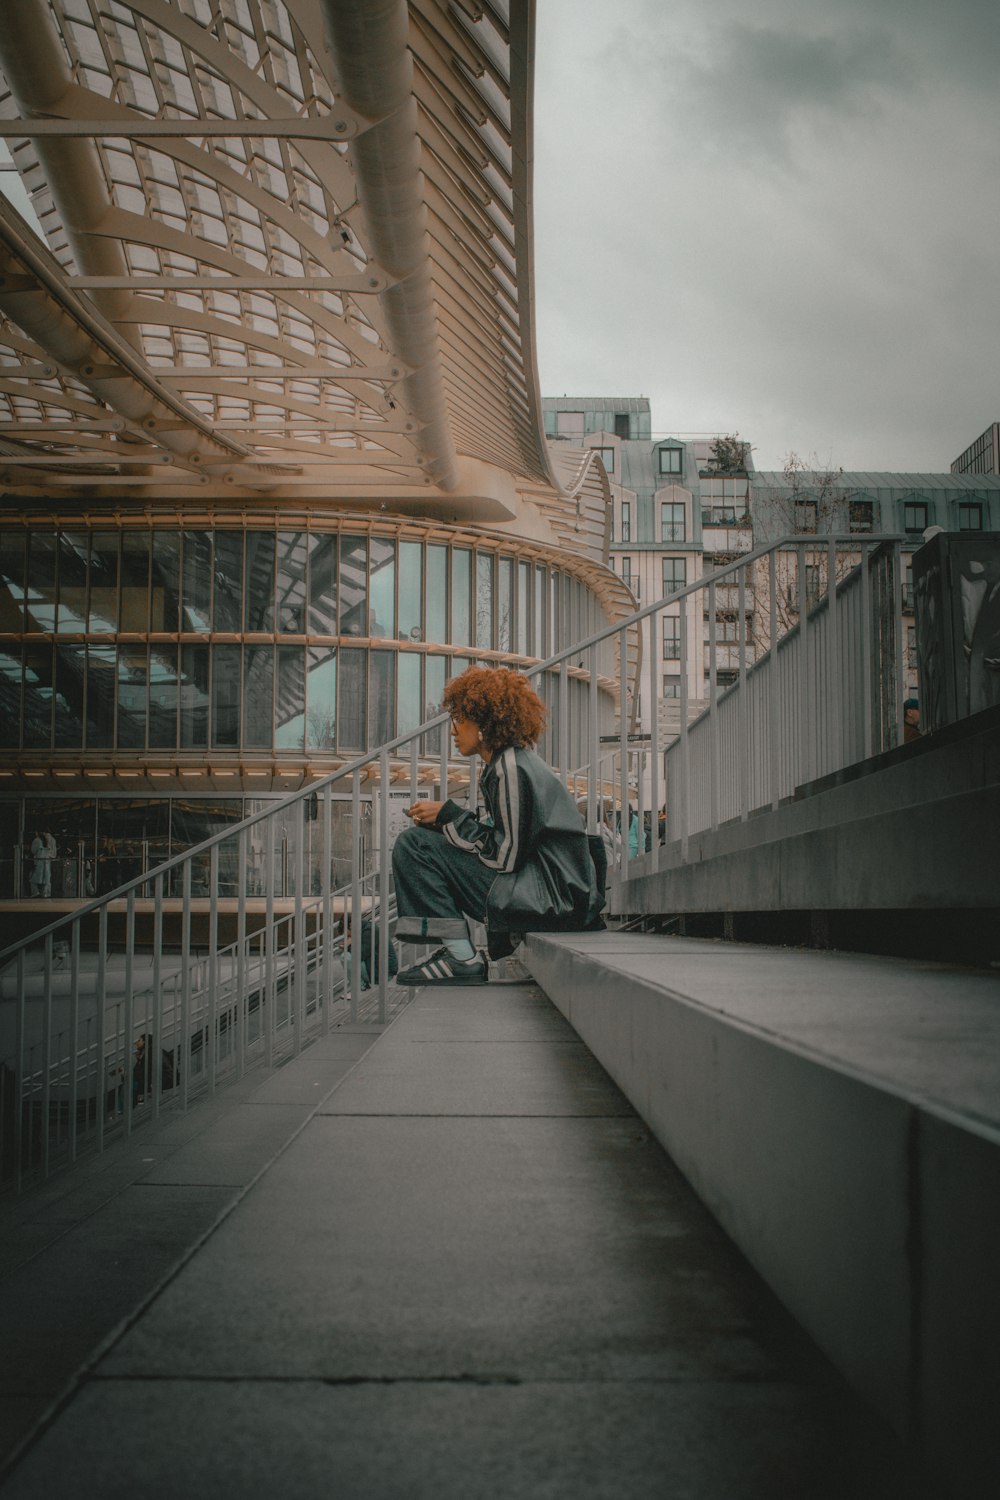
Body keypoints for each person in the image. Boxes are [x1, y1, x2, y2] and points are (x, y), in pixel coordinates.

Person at [391, 667, 603, 986]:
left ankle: (462, 958)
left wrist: (450, 817)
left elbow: (505, 857)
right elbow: (508, 844)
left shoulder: (510, 768)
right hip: (553, 895)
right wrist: (446, 825)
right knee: (421, 840)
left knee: (414, 845)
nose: (453, 731)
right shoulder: (509, 764)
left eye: (459, 719)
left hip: (553, 901)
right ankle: (460, 955)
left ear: (482, 723)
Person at [29, 829, 56, 897]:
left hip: (38, 861)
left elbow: (33, 850)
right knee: (46, 880)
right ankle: (46, 894)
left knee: (32, 878)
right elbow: (53, 852)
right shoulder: (51, 839)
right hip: (47, 861)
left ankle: (35, 893)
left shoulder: (37, 840)